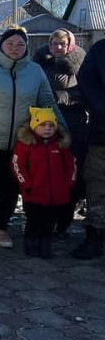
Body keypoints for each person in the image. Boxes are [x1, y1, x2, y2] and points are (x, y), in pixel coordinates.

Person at [0, 26, 66, 249]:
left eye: (20, 45)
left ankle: (0, 228)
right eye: (10, 44)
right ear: (0, 45)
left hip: (21, 142)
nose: (15, 48)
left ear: (26, 47)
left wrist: (62, 129)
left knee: (11, 186)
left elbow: (47, 100)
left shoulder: (34, 70)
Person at [32, 29, 87, 238]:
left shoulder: (79, 65)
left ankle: (63, 222)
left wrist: (65, 97)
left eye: (62, 44)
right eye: (53, 43)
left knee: (68, 174)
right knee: (44, 172)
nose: (57, 47)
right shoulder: (40, 63)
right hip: (44, 124)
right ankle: (40, 220)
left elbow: (87, 93)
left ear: (70, 45)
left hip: (72, 125)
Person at [12, 107, 76, 259]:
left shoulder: (60, 145)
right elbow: (17, 166)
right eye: (43, 125)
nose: (47, 129)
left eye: (51, 125)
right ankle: (31, 243)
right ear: (34, 126)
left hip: (56, 195)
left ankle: (45, 244)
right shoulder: (26, 145)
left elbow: (71, 166)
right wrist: (26, 184)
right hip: (34, 193)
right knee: (33, 221)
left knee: (49, 222)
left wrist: (68, 184)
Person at [75, 37, 105, 259]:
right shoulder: (100, 49)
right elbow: (86, 82)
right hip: (102, 135)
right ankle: (94, 238)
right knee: (97, 185)